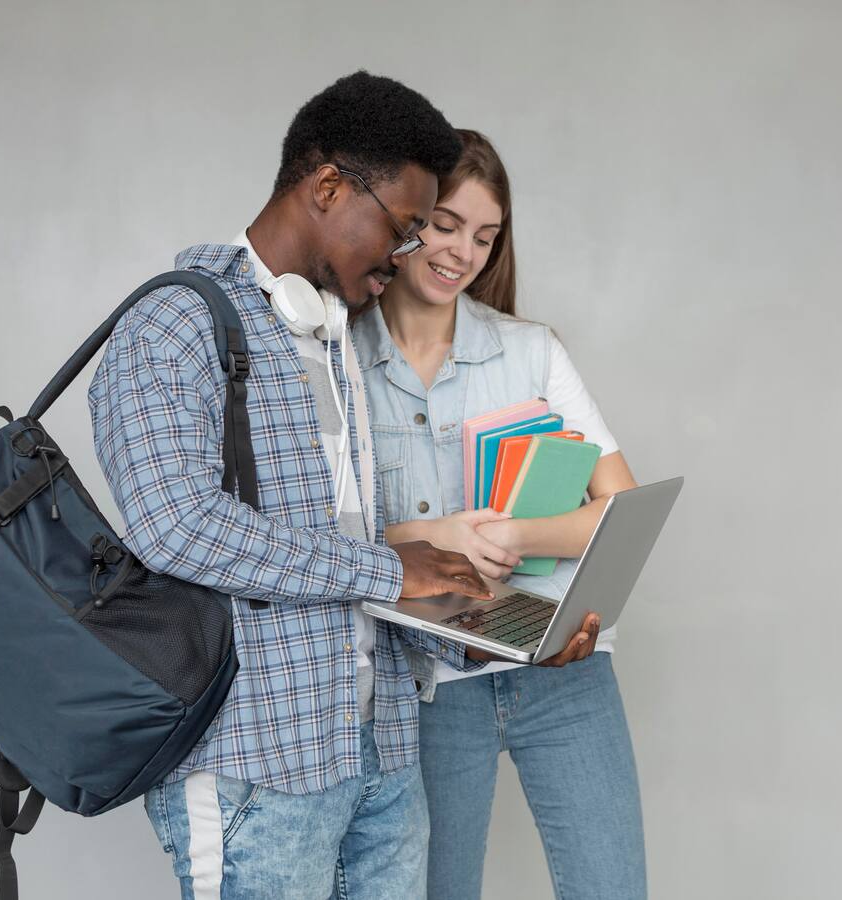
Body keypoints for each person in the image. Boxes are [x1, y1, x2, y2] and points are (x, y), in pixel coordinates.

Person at [89, 74, 590, 900]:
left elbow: (348, 549)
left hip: (379, 753)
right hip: (257, 765)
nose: (406, 259)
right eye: (400, 231)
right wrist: (395, 571)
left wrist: (464, 628)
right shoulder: (173, 323)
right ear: (326, 188)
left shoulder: (330, 339)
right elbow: (173, 524)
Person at [352, 129, 646, 900]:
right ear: (408, 216)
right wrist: (434, 537)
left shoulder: (532, 351)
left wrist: (515, 535)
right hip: (426, 688)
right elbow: (318, 543)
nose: (462, 253)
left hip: (560, 668)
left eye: (485, 236)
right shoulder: (339, 356)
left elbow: (618, 506)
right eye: (446, 225)